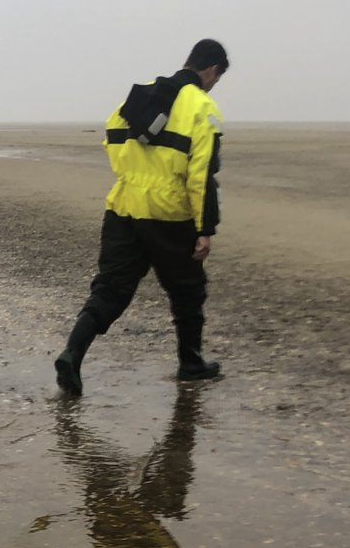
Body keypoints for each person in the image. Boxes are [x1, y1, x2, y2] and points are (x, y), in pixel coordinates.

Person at [55, 40, 229, 396]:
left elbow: (111, 140)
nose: (214, 85)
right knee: (187, 292)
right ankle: (191, 363)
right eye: (217, 78)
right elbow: (201, 175)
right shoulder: (202, 106)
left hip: (123, 207)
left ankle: (72, 353)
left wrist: (137, 172)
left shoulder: (136, 98)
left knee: (111, 288)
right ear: (211, 70)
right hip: (169, 213)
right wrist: (204, 229)